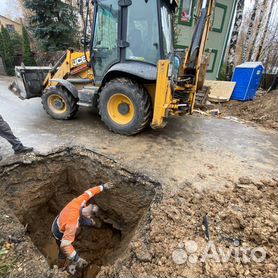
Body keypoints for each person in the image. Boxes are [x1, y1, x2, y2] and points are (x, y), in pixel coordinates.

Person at [51, 183, 111, 271]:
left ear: (88, 205)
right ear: (89, 215)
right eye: (91, 217)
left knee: (83, 220)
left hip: (62, 218)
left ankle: (92, 223)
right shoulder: (72, 225)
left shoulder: (81, 201)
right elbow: (65, 245)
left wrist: (103, 187)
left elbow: (90, 192)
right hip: (58, 231)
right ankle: (61, 266)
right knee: (63, 251)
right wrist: (77, 259)